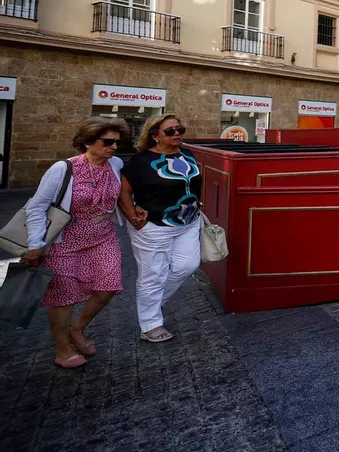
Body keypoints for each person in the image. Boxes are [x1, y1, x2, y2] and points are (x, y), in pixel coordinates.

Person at [20, 117, 129, 368]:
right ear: (88, 142)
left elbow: (121, 195)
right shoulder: (63, 169)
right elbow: (36, 207)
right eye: (107, 142)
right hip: (64, 241)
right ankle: (62, 350)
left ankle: (77, 329)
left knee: (108, 287)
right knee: (63, 297)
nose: (113, 147)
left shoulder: (115, 164)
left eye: (117, 142)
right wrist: (36, 244)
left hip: (103, 236)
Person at [118, 114, 203, 343]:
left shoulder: (188, 154)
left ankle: (153, 304)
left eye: (180, 129)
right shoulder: (140, 161)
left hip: (188, 223)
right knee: (152, 275)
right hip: (153, 226)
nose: (177, 134)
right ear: (155, 135)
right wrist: (132, 215)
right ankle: (150, 324)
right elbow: (124, 192)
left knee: (188, 265)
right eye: (170, 131)